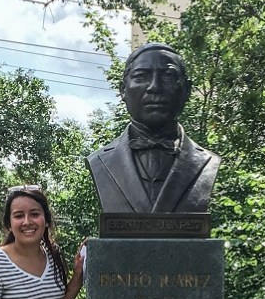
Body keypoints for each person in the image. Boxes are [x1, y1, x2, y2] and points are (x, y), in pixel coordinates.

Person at [86, 42, 220, 213]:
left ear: (187, 90)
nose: (154, 87)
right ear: (123, 90)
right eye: (141, 76)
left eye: (168, 76)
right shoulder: (100, 162)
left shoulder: (207, 162)